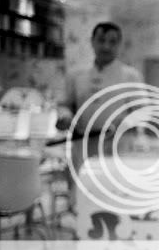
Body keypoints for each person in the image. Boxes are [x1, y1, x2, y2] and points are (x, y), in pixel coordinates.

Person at [56, 22, 143, 203]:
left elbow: (142, 112)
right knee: (82, 199)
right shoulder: (76, 75)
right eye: (101, 40)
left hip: (117, 148)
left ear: (119, 45)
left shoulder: (130, 76)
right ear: (92, 42)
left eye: (112, 42)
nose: (106, 47)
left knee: (114, 199)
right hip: (83, 146)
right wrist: (65, 117)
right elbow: (65, 105)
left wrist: (125, 123)